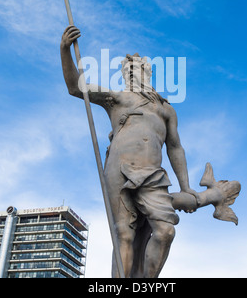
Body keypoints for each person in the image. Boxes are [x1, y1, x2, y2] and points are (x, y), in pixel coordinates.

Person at [60, 25, 199, 278]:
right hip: (119, 170)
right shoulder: (117, 98)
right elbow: (74, 87)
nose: (132, 71)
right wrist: (65, 50)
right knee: (123, 234)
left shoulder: (165, 109)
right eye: (128, 69)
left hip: (153, 175)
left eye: (137, 67)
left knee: (165, 231)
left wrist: (186, 186)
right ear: (124, 75)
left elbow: (175, 147)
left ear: (148, 72)